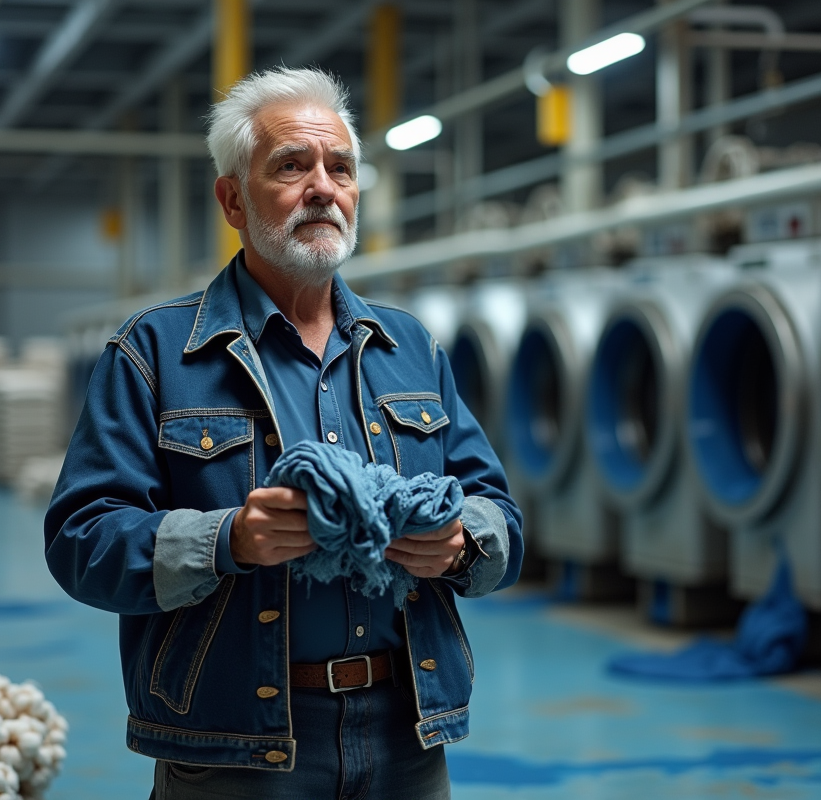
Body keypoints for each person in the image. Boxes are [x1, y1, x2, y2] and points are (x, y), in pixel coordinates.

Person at [44, 66, 523, 799]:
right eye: (291, 166)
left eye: (341, 167)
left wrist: (462, 544)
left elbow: (501, 516)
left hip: (406, 737)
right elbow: (81, 540)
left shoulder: (412, 349)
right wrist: (226, 539)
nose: (323, 187)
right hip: (236, 750)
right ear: (233, 199)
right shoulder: (154, 352)